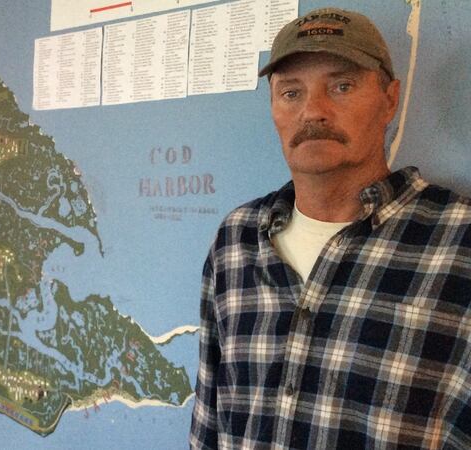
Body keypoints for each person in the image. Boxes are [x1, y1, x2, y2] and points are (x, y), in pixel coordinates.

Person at [189, 7, 471, 449]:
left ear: (389, 99)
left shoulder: (457, 242)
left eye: (342, 86)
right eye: (291, 93)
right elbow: (210, 420)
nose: (313, 111)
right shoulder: (236, 241)